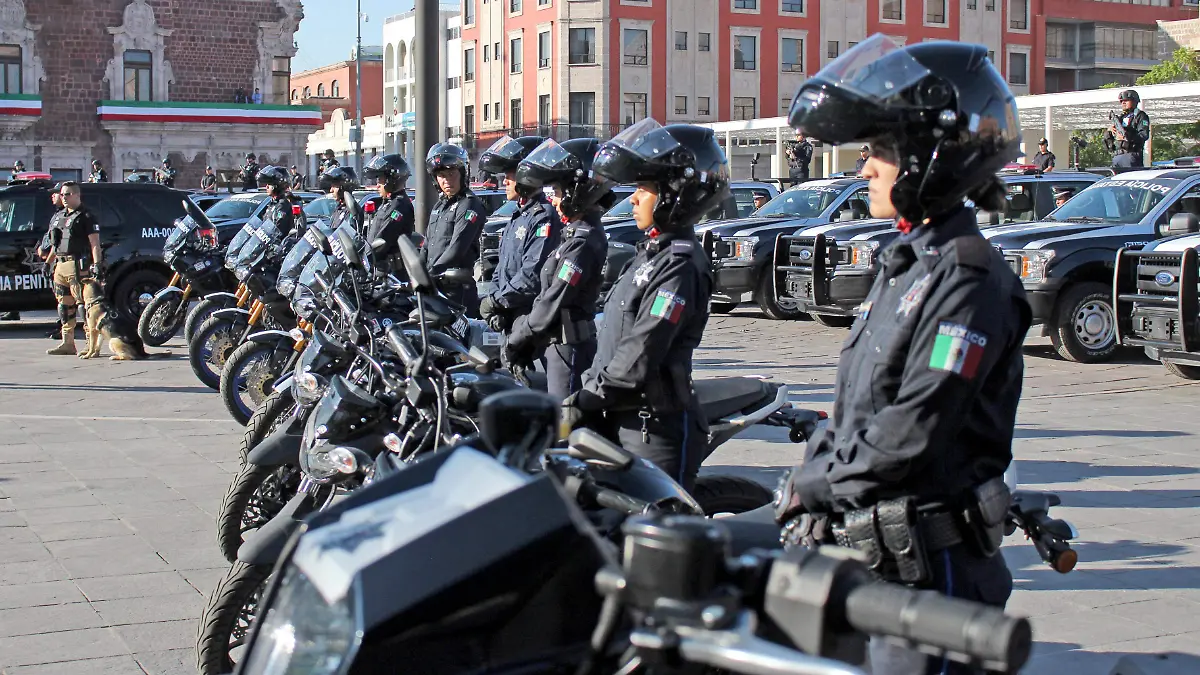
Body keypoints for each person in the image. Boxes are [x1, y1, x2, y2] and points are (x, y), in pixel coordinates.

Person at [773, 35, 1029, 675]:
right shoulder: (905, 265)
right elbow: (859, 404)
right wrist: (818, 464)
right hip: (882, 561)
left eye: (881, 151)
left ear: (929, 158)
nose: (866, 169)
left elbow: (914, 428)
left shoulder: (969, 278)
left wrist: (820, 484)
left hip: (934, 577)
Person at [561, 119, 729, 491]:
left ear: (675, 194)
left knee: (650, 534)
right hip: (616, 415)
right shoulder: (650, 254)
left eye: (644, 188)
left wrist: (589, 396)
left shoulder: (681, 264)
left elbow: (644, 348)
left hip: (652, 428)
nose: (633, 198)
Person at [505, 138, 613, 401]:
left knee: (565, 426)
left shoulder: (583, 241)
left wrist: (518, 338)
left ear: (579, 193)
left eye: (558, 191)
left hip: (569, 348)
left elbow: (555, 298)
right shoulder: (574, 234)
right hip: (557, 345)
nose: (553, 199)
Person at [476, 135, 557, 336]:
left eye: (510, 175)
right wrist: (496, 300)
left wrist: (496, 301)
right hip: (510, 315)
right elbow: (501, 270)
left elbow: (531, 275)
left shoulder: (543, 216)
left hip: (529, 320)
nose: (504, 181)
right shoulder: (518, 215)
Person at [425, 142, 486, 314]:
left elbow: (457, 248)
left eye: (451, 174)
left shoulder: (469, 205)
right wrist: (417, 273)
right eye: (441, 175)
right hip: (433, 288)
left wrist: (430, 274)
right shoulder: (438, 207)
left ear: (462, 174)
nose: (446, 180)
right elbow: (427, 245)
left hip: (456, 291)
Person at [44, 182, 103, 355]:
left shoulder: (86, 216)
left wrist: (97, 264)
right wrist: (48, 263)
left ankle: (90, 344)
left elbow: (94, 243)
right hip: (60, 265)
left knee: (82, 306)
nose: (64, 197)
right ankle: (67, 342)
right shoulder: (58, 216)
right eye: (62, 194)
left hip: (77, 265)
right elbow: (56, 244)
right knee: (64, 305)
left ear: (77, 195)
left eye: (68, 194)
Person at [361, 154, 415, 258]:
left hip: (390, 269)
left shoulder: (399, 206)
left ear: (391, 180)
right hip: (378, 267)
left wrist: (367, 258)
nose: (377, 185)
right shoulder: (388, 203)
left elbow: (383, 238)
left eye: (380, 180)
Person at [1107, 89, 1150, 169]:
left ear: (1134, 101)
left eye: (1126, 100)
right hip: (1117, 156)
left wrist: (1127, 136)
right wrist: (1109, 132)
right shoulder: (1120, 118)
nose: (1123, 103)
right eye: (1122, 101)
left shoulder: (1140, 116)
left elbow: (1144, 135)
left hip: (1131, 155)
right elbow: (1109, 144)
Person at [255, 166, 299, 237]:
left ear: (277, 186)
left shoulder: (282, 205)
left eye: (269, 184)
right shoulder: (272, 204)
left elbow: (278, 228)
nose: (266, 187)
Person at [319, 166, 358, 232]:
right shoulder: (339, 209)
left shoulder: (352, 210)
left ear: (344, 187)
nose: (331, 190)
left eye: (334, 186)